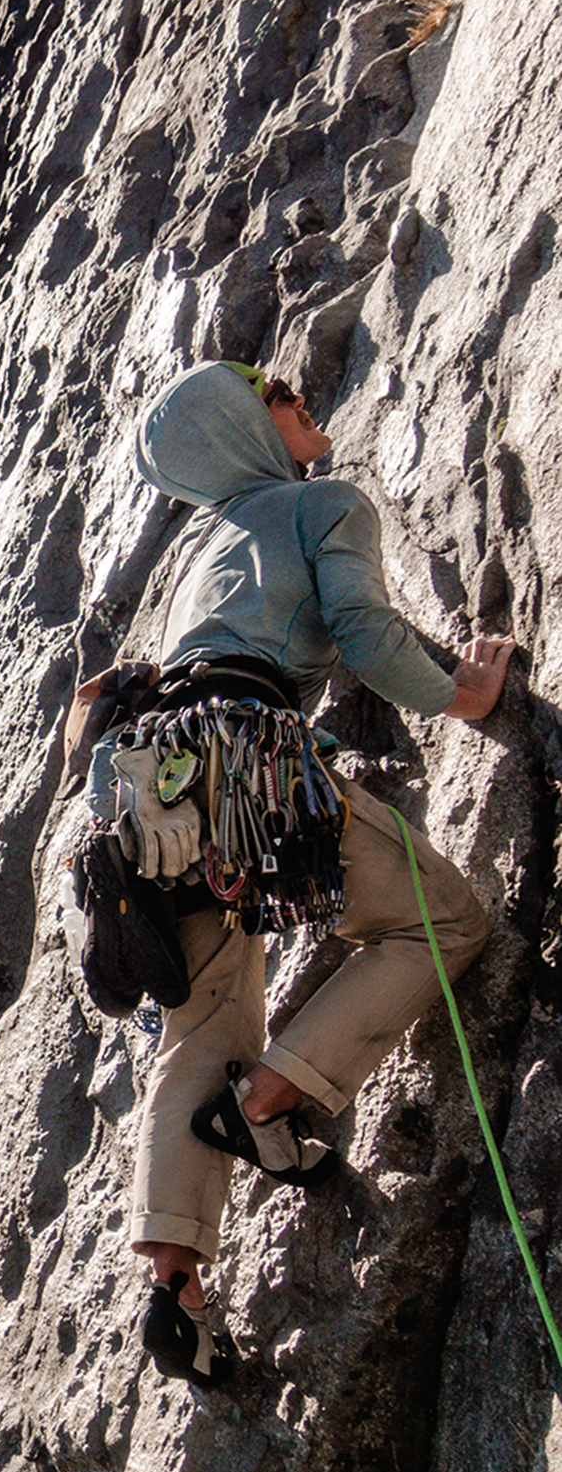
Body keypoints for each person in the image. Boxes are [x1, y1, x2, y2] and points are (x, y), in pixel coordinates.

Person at [118, 359, 514, 1386]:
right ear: (245, 429)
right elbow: (363, 630)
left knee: (201, 1022)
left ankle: (177, 1287)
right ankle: (268, 1099)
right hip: (249, 759)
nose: (303, 402)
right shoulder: (322, 503)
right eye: (281, 395)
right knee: (441, 922)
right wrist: (461, 695)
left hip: (159, 795)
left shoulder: (197, 556)